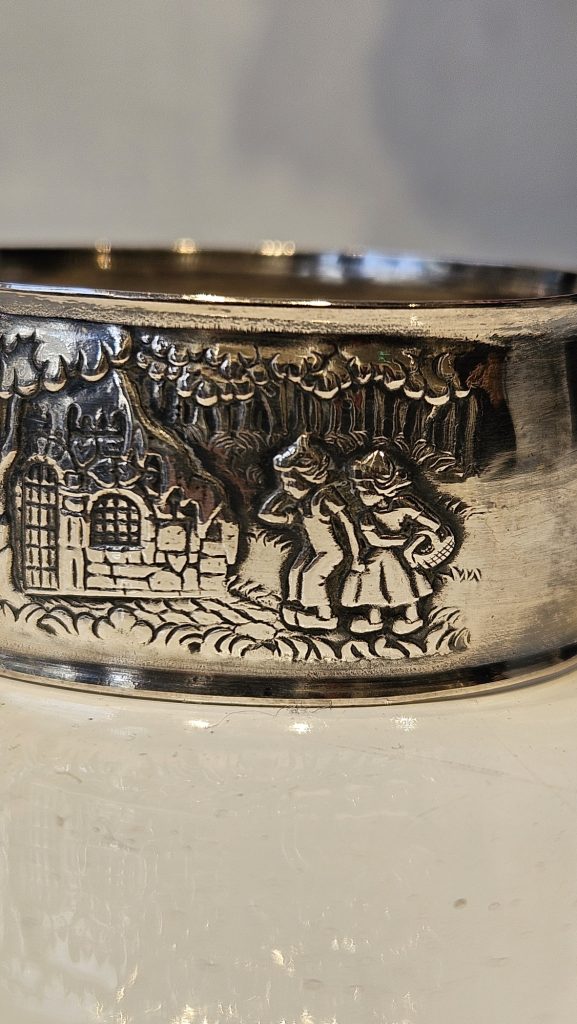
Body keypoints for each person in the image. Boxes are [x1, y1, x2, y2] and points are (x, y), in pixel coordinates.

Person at [342, 447, 453, 636]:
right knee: (375, 592)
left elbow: (433, 523)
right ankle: (375, 621)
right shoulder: (367, 517)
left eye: (365, 491)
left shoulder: (403, 505)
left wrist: (427, 534)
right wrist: (405, 540)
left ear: (382, 489)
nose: (359, 495)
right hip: (382, 556)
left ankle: (411, 619)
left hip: (396, 556)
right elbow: (374, 539)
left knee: (407, 591)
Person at [258, 434, 359, 630]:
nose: (286, 488)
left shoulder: (324, 497)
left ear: (309, 478)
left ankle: (325, 615)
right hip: (312, 549)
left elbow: (348, 524)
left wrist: (356, 556)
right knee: (296, 572)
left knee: (312, 576)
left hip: (331, 551)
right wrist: (283, 493)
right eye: (283, 483)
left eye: (290, 483)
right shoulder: (302, 501)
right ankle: (298, 607)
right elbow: (265, 514)